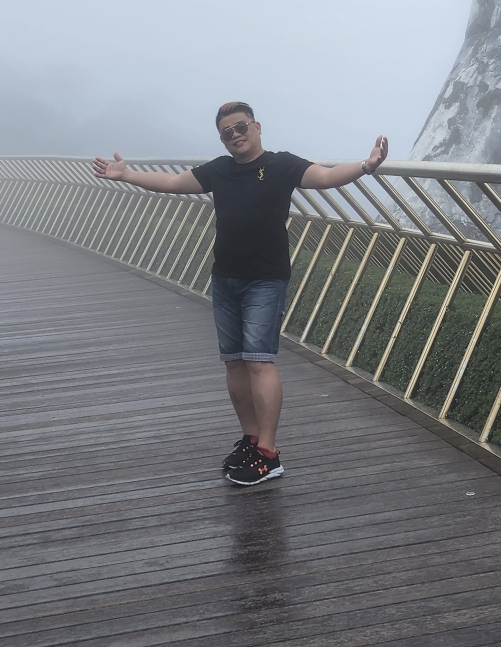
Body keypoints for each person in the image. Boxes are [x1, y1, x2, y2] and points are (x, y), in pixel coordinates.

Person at [93, 103, 389, 486]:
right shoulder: (220, 169)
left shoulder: (282, 165)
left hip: (265, 279)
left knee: (259, 362)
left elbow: (327, 176)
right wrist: (127, 175)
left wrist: (367, 166)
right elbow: (172, 184)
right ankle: (251, 440)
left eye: (241, 126)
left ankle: (269, 453)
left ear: (257, 126)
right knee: (234, 362)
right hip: (225, 277)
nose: (235, 134)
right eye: (227, 132)